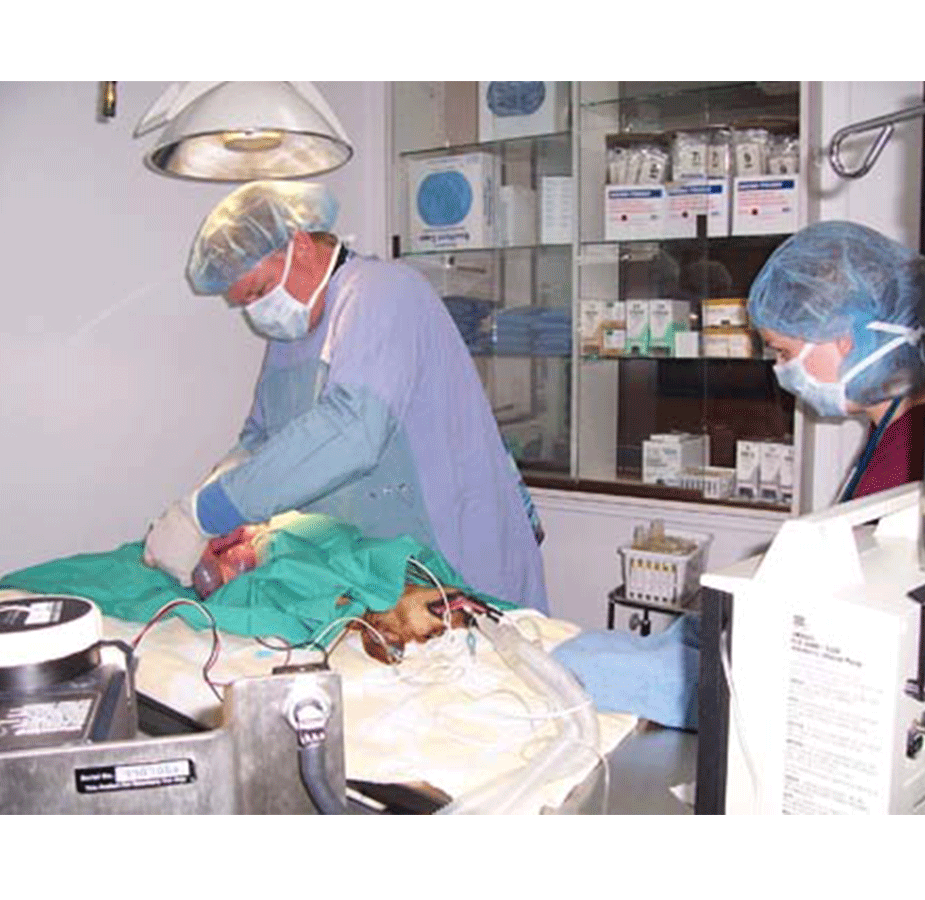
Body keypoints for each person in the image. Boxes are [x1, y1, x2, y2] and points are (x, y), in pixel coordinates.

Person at [143, 180, 548, 613]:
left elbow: (354, 429)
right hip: (377, 571)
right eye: (244, 304)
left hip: (454, 552)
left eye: (259, 292)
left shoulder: (383, 291)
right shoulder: (289, 336)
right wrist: (211, 498)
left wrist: (205, 512)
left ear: (300, 247)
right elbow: (262, 437)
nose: (257, 313)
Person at [747, 220, 925, 501]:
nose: (781, 369)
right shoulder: (892, 429)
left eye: (784, 352)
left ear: (846, 340)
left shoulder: (908, 460)